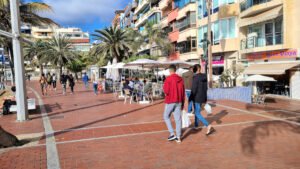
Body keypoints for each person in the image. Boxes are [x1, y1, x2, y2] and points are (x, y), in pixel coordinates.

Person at [190, 64, 215, 135]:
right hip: (203, 96)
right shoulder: (204, 76)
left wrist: (191, 98)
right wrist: (205, 98)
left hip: (197, 97)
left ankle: (208, 125)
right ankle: (196, 125)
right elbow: (206, 88)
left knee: (197, 113)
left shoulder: (195, 78)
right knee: (197, 111)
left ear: (197, 69)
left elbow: (194, 89)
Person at [163, 64, 185, 143]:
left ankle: (172, 133)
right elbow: (183, 92)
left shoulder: (168, 79)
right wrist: (182, 103)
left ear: (169, 71)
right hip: (179, 101)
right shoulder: (181, 79)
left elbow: (166, 91)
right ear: (175, 70)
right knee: (178, 119)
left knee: (166, 116)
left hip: (170, 101)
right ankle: (178, 137)